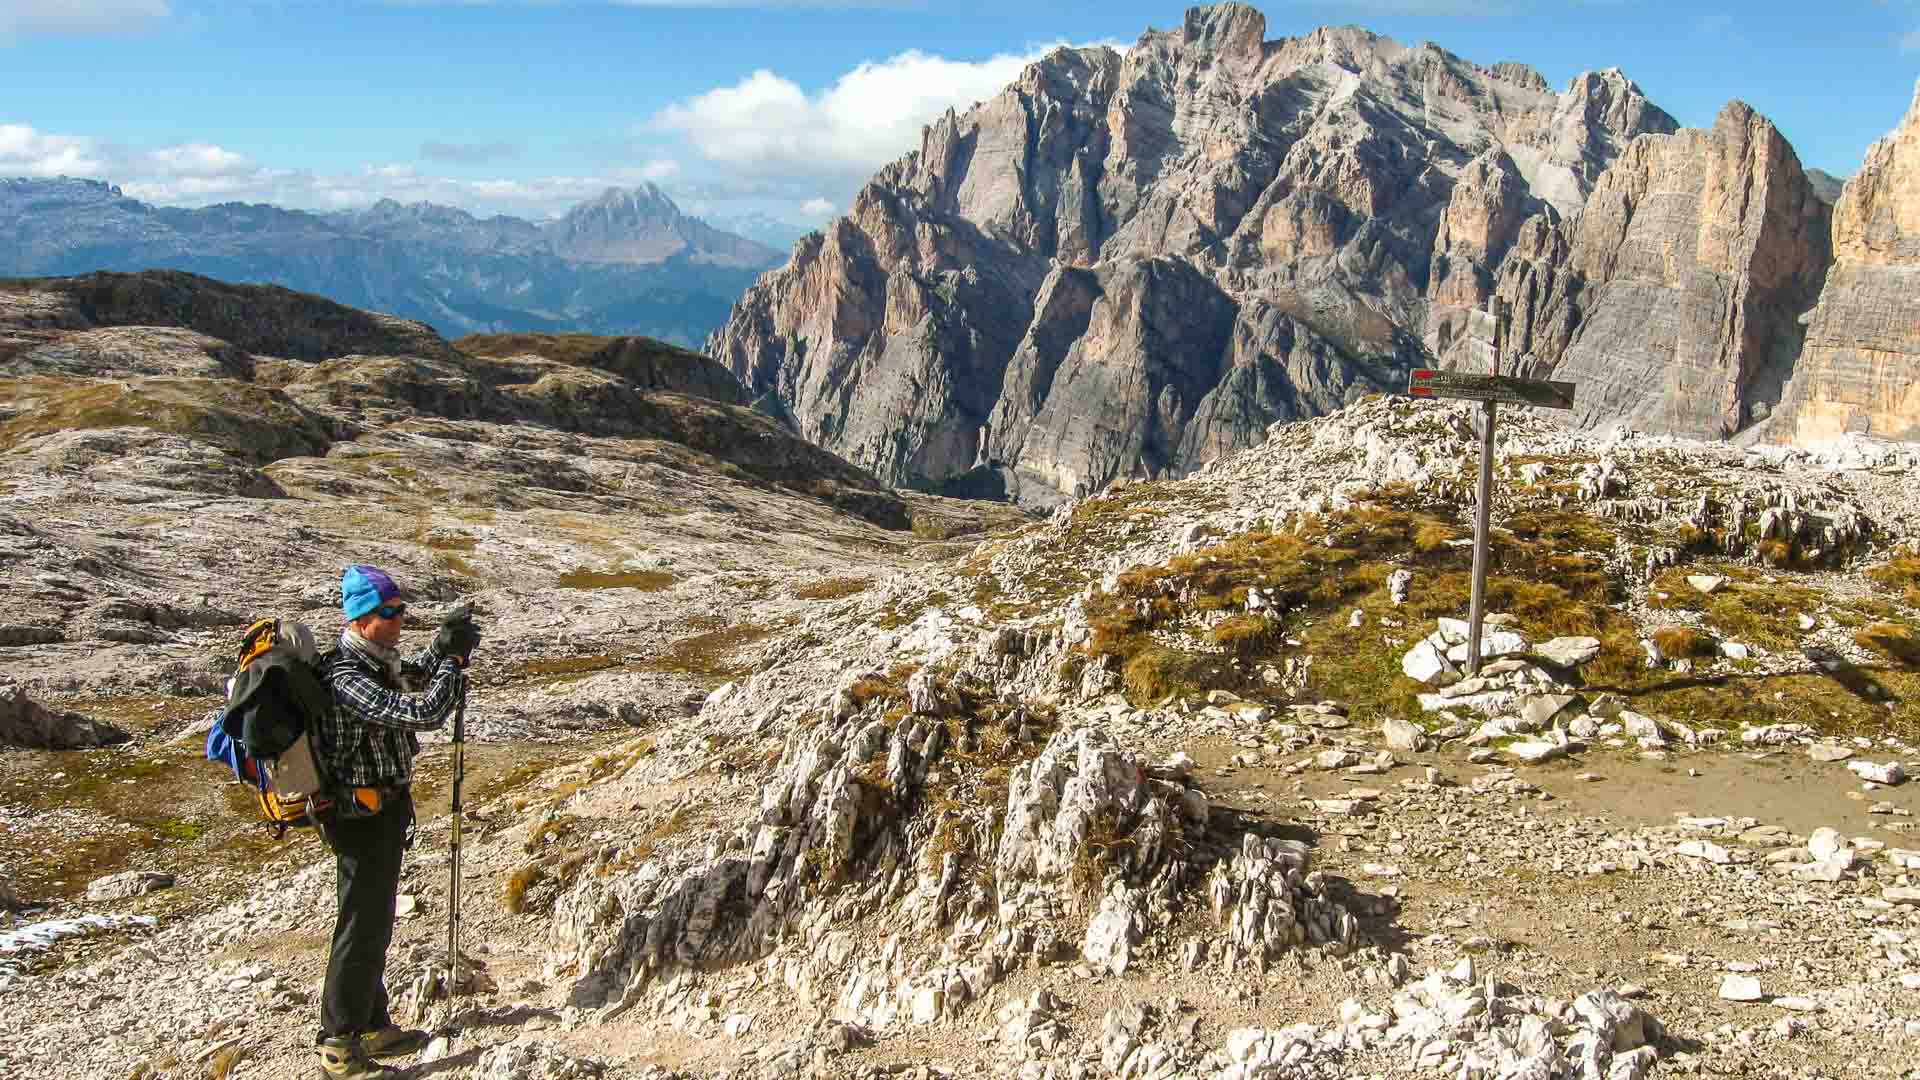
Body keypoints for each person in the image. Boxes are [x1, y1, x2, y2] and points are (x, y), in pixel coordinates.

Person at [311, 564, 480, 1080]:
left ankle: (372, 1025)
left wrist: (442, 646)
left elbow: (415, 677)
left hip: (380, 809)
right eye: (390, 612)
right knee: (360, 924)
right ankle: (338, 1045)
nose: (399, 619)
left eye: (401, 609)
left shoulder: (375, 660)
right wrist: (453, 662)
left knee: (375, 917)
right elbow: (424, 712)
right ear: (362, 618)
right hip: (357, 815)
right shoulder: (345, 677)